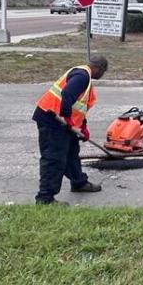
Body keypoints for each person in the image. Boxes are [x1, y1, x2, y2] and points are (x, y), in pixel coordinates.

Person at [32, 54, 109, 205]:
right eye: (103, 72)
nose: (102, 75)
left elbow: (78, 106)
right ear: (99, 69)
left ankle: (79, 182)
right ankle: (45, 198)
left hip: (62, 121)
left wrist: (83, 127)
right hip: (52, 120)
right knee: (54, 158)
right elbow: (66, 94)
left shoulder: (83, 77)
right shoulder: (82, 76)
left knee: (72, 152)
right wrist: (67, 119)